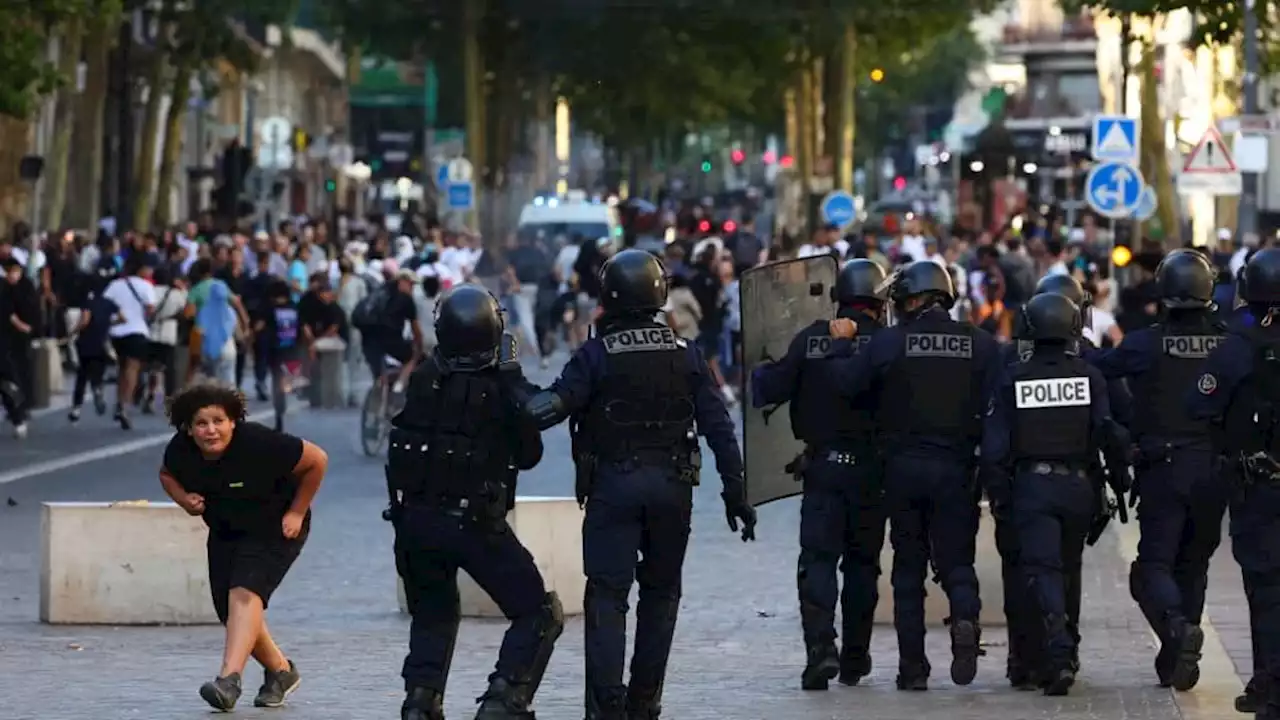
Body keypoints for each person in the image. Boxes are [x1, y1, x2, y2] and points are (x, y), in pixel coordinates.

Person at [522, 249, 756, 719]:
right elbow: (720, 429)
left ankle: (606, 707)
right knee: (662, 594)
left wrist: (505, 403)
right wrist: (737, 493)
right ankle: (645, 701)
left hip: (613, 488)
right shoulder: (687, 354)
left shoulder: (595, 355)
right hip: (674, 491)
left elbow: (552, 408)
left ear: (609, 298)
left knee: (607, 597)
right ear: (659, 294)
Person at [386, 285, 561, 720]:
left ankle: (420, 701)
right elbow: (530, 455)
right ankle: (505, 698)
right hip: (475, 524)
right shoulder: (501, 388)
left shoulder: (425, 376)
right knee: (537, 611)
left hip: (416, 524)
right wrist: (511, 375)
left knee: (433, 614)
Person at [827, 260, 1001, 690]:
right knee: (957, 561)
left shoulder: (889, 342)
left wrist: (841, 346)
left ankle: (913, 669)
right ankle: (964, 617)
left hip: (902, 469)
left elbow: (846, 386)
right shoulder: (980, 344)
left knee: (908, 568)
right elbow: (1000, 406)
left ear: (910, 299)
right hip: (957, 470)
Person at [1085, 249, 1226, 690]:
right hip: (1215, 471)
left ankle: (1178, 631)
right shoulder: (1228, 343)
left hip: (1164, 469)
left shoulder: (1145, 343)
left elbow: (1097, 367)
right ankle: (1177, 656)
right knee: (1195, 564)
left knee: (1152, 567)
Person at [979, 292, 1130, 695]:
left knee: (1042, 570)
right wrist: (1118, 480)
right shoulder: (1089, 376)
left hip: (1033, 487)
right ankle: (1059, 654)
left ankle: (1058, 654)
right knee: (1067, 567)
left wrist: (999, 497)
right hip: (1079, 487)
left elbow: (994, 449)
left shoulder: (1015, 377)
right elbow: (1107, 432)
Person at [750, 259, 889, 689]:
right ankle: (854, 657)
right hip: (872, 473)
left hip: (823, 469)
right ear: (880, 305)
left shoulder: (811, 340)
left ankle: (819, 652)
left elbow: (767, 390)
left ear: (839, 300)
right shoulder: (888, 344)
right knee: (863, 566)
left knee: (818, 561)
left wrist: (760, 362)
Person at [158, 383, 327, 711]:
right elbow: (167, 475)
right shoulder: (180, 451)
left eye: (219, 421)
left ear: (233, 422)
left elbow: (317, 461)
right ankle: (280, 671)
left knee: (245, 593)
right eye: (202, 424)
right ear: (188, 429)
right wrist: (184, 499)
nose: (211, 430)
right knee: (230, 610)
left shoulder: (259, 442)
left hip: (276, 525)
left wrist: (297, 511)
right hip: (226, 528)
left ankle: (228, 680)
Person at [1185, 246, 1280, 719]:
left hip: (1260, 486)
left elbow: (1200, 403)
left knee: (1265, 591)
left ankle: (1270, 687)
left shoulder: (1239, 342)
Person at [103, 252, 157, 429]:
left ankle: (119, 401)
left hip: (116, 332)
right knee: (132, 369)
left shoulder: (115, 285)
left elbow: (105, 304)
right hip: (136, 330)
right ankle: (124, 405)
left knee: (121, 368)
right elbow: (150, 309)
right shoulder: (145, 286)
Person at [0, 256, 39, 438]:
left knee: (8, 379)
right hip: (10, 337)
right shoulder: (5, 287)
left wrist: (28, 328)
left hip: (10, 339)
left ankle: (18, 415)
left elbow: (10, 314)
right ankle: (18, 414)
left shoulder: (20, 286)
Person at [69, 289, 117, 423]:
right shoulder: (109, 303)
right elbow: (122, 317)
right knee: (98, 371)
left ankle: (76, 409)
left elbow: (85, 320)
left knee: (82, 376)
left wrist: (73, 332)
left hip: (85, 343)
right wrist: (107, 325)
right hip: (101, 343)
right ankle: (97, 388)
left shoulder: (88, 303)